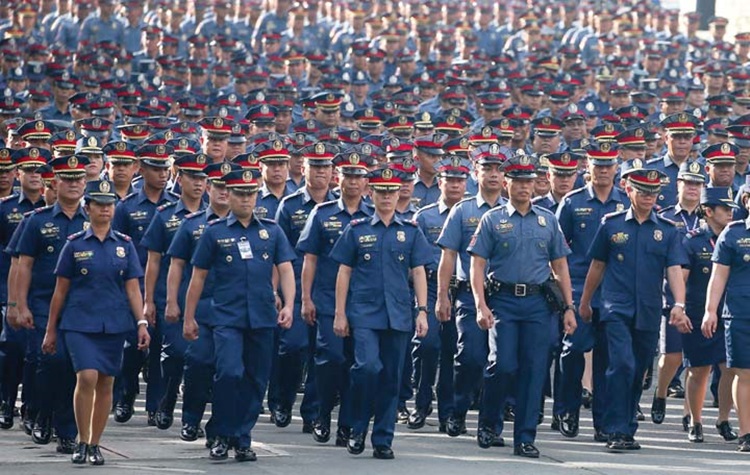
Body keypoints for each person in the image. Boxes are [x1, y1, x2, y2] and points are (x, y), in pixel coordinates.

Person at [184, 168, 296, 462]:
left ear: (256, 196)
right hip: (226, 316)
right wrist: (189, 316)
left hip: (261, 317)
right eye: (239, 194)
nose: (245, 200)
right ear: (229, 195)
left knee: (256, 379)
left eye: (250, 194)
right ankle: (220, 433)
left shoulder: (271, 230)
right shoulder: (215, 232)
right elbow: (197, 277)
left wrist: (288, 305)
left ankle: (241, 437)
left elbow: (285, 269)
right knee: (229, 373)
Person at [468, 152, 576, 458]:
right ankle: (489, 422)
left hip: (538, 305)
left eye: (529, 182)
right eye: (518, 182)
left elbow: (560, 266)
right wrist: (480, 304)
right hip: (502, 302)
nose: (525, 187)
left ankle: (525, 437)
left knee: (534, 370)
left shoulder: (548, 220)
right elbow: (477, 264)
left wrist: (568, 307)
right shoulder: (493, 219)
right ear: (506, 184)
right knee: (502, 365)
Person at [580, 167, 691, 452]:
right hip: (614, 308)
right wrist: (585, 301)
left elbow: (674, 269)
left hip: (649, 310)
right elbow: (597, 266)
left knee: (638, 370)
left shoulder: (666, 230)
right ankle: (614, 428)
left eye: (653, 193)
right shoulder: (611, 224)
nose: (648, 198)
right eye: (642, 192)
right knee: (621, 365)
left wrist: (679, 304)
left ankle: (626, 427)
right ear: (628, 190)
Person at [41, 179, 149, 465]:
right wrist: (51, 330)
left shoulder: (124, 246)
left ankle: (95, 443)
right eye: (99, 204)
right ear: (87, 208)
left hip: (113, 323)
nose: (105, 209)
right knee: (86, 375)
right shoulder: (74, 246)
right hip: (79, 322)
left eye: (109, 204)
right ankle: (81, 437)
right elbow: (60, 291)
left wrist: (141, 322)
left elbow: (132, 288)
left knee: (106, 381)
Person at [330, 166, 432, 460]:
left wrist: (422, 311)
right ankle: (356, 426)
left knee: (390, 377)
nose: (386, 197)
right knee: (367, 368)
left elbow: (419, 272)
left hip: (398, 314)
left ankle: (383, 438)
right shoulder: (357, 229)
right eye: (381, 191)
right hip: (363, 313)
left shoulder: (410, 231)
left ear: (399, 193)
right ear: (370, 193)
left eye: (391, 191)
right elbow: (344, 272)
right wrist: (340, 313)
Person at [11, 154, 91, 454]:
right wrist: (18, 304)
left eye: (78, 179)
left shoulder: (93, 219)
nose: (73, 184)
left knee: (76, 367)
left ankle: (67, 430)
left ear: (86, 182)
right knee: (50, 362)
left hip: (81, 306)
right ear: (54, 182)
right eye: (67, 179)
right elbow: (22, 266)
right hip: (43, 303)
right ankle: (41, 414)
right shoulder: (36, 221)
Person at [297, 150, 374, 446]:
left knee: (357, 364)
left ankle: (348, 424)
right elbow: (310, 259)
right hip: (328, 300)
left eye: (359, 176)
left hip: (364, 303)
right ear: (336, 177)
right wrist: (306, 298)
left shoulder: (373, 215)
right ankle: (321, 412)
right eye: (347, 175)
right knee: (329, 358)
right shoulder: (323, 212)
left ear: (367, 181)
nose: (353, 182)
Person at [555, 142, 629, 442]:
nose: (602, 170)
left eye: (608, 165)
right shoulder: (572, 203)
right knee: (572, 351)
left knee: (607, 360)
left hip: (613, 291)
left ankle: (602, 421)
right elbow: (557, 251)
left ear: (616, 167)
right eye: (597, 165)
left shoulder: (626, 201)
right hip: (576, 288)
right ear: (587, 165)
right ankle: (567, 408)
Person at [435, 143, 507, 437]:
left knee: (501, 362)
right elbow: (448, 256)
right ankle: (458, 409)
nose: (492, 174)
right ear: (475, 174)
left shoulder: (512, 210)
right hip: (467, 295)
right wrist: (441, 295)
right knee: (471, 356)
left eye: (498, 169)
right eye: (486, 168)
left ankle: (491, 422)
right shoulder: (462, 211)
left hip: (503, 296)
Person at [168, 162, 236, 443]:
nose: (222, 192)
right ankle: (191, 418)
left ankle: (217, 427)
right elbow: (176, 265)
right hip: (201, 308)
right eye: (217, 186)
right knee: (198, 363)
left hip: (234, 310)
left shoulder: (248, 224)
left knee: (228, 371)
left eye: (227, 187)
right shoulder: (192, 224)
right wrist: (173, 302)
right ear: (208, 187)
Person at [141, 153, 207, 430]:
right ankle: (165, 402)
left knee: (201, 359)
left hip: (208, 297)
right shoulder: (165, 215)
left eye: (203, 178)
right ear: (179, 178)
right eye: (192, 177)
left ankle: (192, 413)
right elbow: (154, 260)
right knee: (175, 353)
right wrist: (149, 301)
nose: (198, 183)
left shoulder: (216, 214)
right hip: (172, 294)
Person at [408, 156, 470, 431]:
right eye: (450, 180)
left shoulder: (473, 214)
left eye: (460, 180)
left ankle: (448, 410)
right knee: (428, 344)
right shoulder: (425, 215)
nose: (455, 185)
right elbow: (414, 260)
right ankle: (421, 403)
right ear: (440, 182)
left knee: (452, 350)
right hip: (432, 287)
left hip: (463, 288)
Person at [652, 160, 706, 428]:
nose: (694, 188)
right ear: (679, 184)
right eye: (689, 183)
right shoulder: (664, 216)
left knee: (696, 362)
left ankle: (689, 415)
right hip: (670, 293)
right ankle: (660, 393)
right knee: (672, 355)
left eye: (698, 184)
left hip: (701, 295)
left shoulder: (710, 216)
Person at [682, 187, 738, 443]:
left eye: (731, 209)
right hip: (698, 314)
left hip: (731, 313)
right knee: (699, 370)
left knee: (729, 369)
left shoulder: (737, 237)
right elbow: (681, 278)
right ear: (708, 211)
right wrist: (679, 307)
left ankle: (723, 418)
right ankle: (695, 420)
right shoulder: (692, 240)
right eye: (724, 209)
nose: (730, 213)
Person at [703, 185, 750, 452]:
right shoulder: (733, 234)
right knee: (744, 373)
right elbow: (718, 275)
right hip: (741, 313)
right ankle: (746, 432)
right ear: (746, 200)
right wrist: (711, 310)